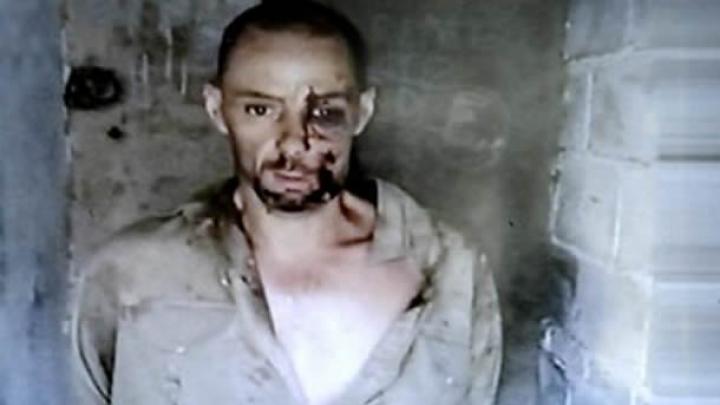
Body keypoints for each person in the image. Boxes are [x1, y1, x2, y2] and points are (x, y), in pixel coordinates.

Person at [71, 1, 502, 404]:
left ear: (363, 112)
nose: (295, 141)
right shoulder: (132, 274)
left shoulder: (453, 269)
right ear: (217, 109)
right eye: (260, 110)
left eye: (326, 112)